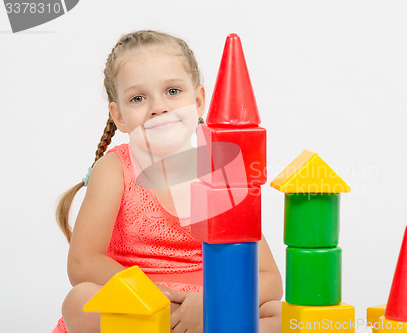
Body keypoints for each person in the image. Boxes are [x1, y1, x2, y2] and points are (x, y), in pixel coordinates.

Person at [53, 30, 282, 333]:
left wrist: (211, 302)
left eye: (173, 91)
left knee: (281, 315)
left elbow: (268, 277)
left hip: (204, 307)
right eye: (138, 98)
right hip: (142, 307)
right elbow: (82, 263)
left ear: (199, 101)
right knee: (80, 301)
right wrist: (157, 298)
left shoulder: (216, 173)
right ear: (119, 116)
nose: (158, 107)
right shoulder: (113, 169)